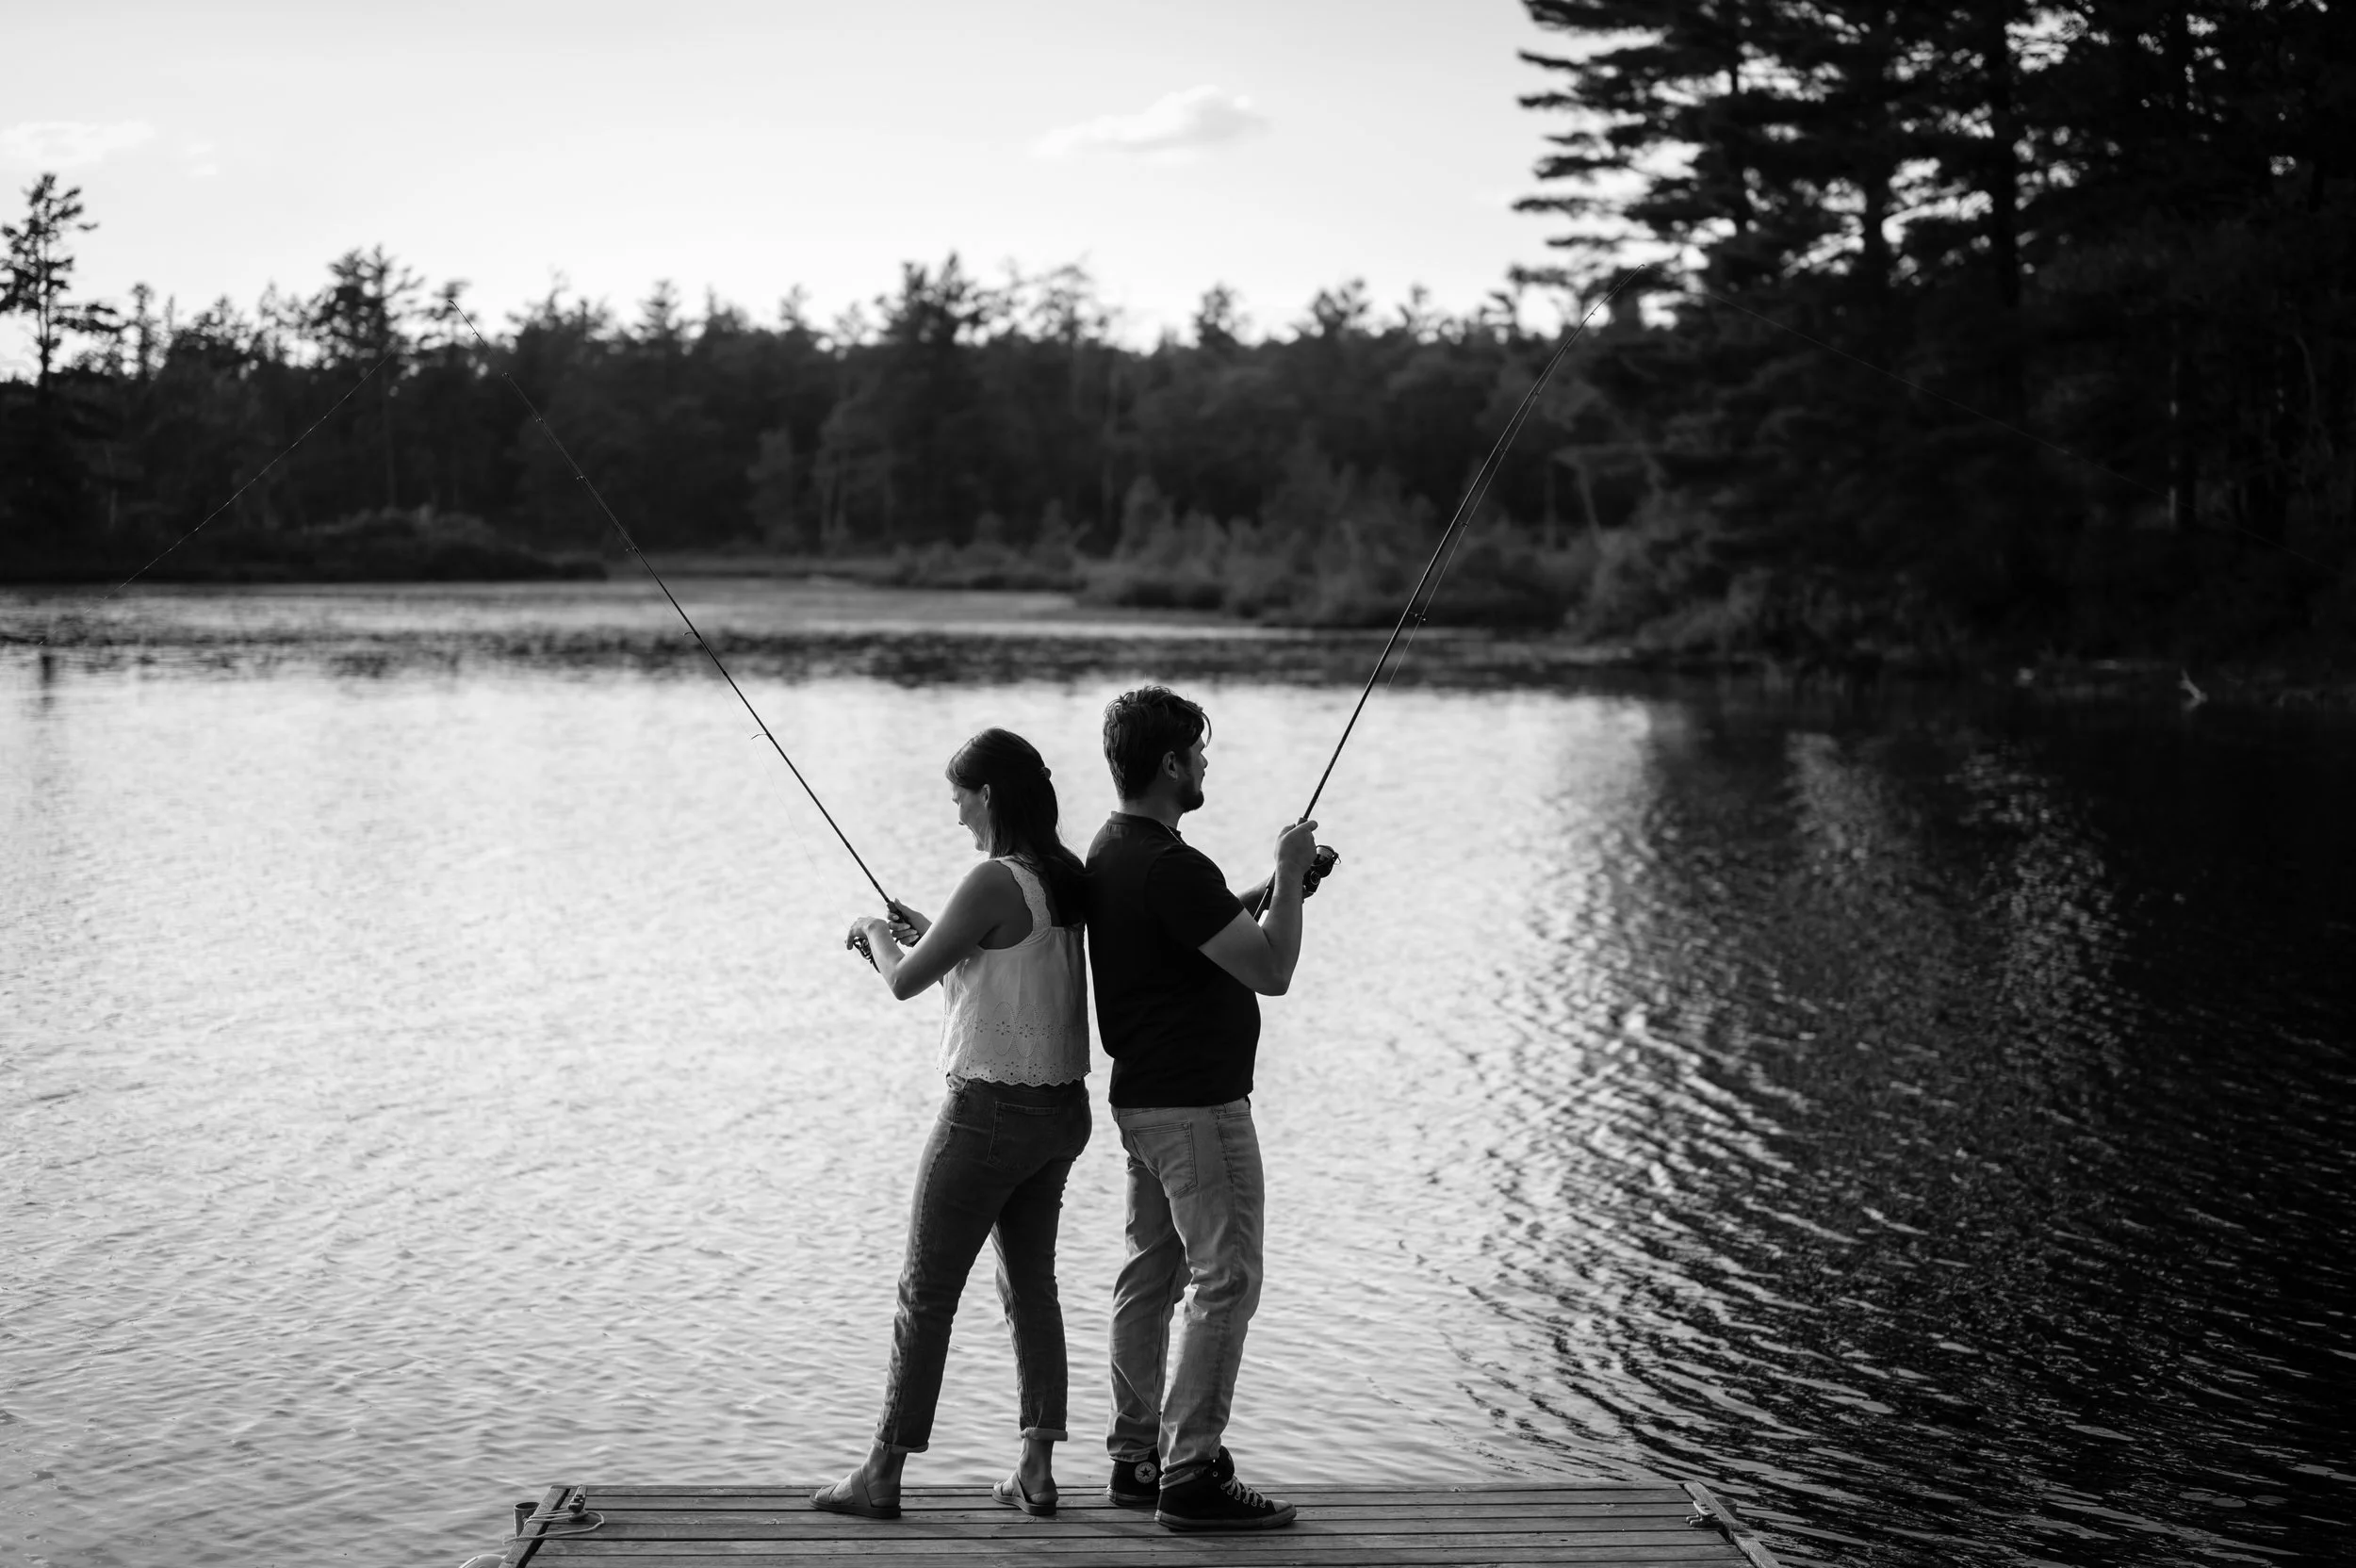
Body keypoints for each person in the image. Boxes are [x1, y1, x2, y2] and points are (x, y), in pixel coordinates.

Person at [812, 728, 1092, 1522]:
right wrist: (938, 928)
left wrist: (872, 932)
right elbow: (1006, 964)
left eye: (960, 797)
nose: (958, 814)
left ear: (990, 795)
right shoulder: (1060, 876)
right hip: (1060, 1112)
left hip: (990, 1114)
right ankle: (1037, 1468)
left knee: (925, 1292)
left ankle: (881, 1473)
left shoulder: (992, 877)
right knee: (1031, 1285)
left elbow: (904, 982)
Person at [1083, 685, 1329, 1532]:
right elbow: (1271, 970)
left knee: (1149, 1280)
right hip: (1199, 1110)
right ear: (1169, 764)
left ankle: (1136, 1458)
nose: (1205, 763)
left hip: (1145, 1106)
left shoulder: (1111, 851)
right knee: (1227, 1280)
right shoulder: (1171, 864)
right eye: (1197, 750)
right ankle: (1189, 1476)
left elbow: (1193, 940)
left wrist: (1272, 887)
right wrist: (1291, 878)